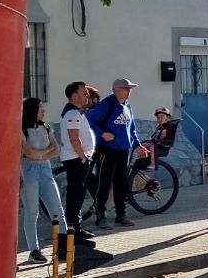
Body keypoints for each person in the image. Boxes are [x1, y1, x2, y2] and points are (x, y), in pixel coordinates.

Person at [88, 77, 146, 229]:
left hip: (123, 151)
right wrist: (102, 134)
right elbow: (89, 119)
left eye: (130, 89)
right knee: (104, 184)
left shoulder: (127, 106)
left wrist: (138, 144)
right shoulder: (107, 104)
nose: (129, 92)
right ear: (117, 90)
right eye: (126, 89)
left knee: (122, 184)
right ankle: (101, 217)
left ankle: (121, 216)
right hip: (107, 150)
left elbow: (131, 128)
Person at [18, 97, 67, 264]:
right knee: (32, 212)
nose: (44, 111)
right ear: (32, 110)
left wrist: (40, 155)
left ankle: (63, 247)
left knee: (57, 209)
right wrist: (45, 152)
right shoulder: (22, 129)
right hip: (28, 171)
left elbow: (57, 149)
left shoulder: (46, 126)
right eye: (40, 108)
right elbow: (28, 153)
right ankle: (34, 249)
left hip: (46, 170)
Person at [58, 82, 97, 241]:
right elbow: (74, 139)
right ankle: (74, 228)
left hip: (78, 158)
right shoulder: (72, 114)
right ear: (74, 96)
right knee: (76, 193)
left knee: (79, 193)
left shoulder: (76, 113)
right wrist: (83, 156)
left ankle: (75, 226)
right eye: (84, 93)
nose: (87, 96)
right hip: (76, 159)